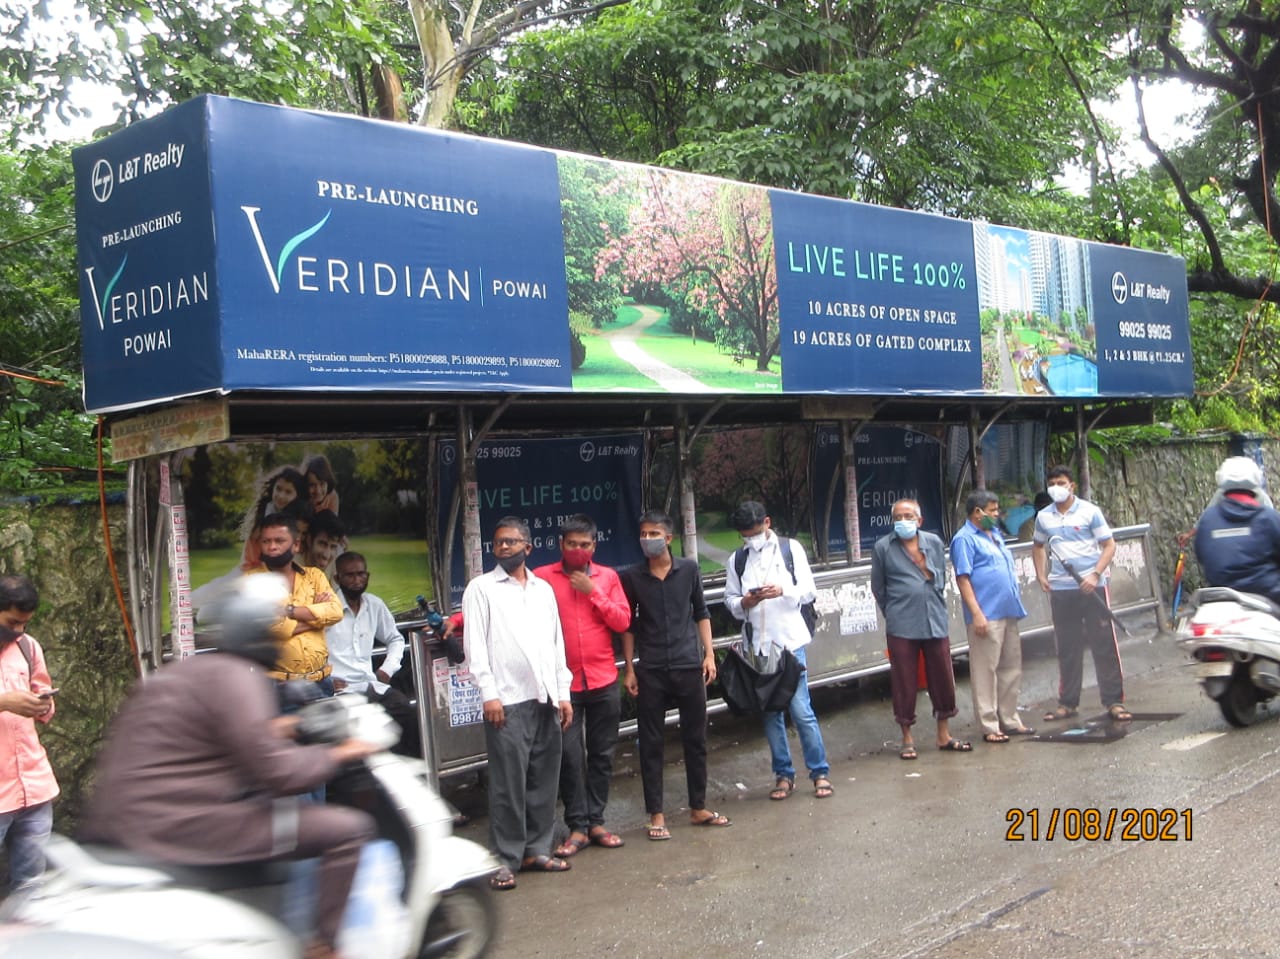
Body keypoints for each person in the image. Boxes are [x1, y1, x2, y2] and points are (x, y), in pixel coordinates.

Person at [80, 575, 379, 959]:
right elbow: (281, 773)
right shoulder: (239, 678)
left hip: (133, 818)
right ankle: (325, 947)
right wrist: (340, 753)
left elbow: (214, 737)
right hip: (185, 823)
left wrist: (291, 726)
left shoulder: (188, 672)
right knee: (347, 830)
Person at [462, 516, 573, 892]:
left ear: (528, 546)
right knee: (508, 785)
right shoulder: (481, 589)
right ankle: (504, 858)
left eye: (511, 541)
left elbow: (555, 644)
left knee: (543, 780)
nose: (504, 547)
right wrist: (488, 693)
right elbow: (476, 647)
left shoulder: (542, 590)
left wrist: (563, 693)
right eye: (498, 542)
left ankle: (536, 850)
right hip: (506, 701)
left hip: (544, 698)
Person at [621, 509, 731, 840]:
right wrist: (630, 668)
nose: (648, 539)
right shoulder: (633, 577)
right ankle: (656, 815)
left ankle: (698, 807)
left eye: (654, 534)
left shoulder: (689, 570)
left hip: (688, 664)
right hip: (651, 668)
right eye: (644, 534)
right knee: (650, 742)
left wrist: (709, 654)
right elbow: (628, 625)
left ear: (668, 538)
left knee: (695, 739)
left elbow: (701, 612)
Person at [531, 514, 631, 858]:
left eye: (584, 544)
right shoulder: (542, 578)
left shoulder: (608, 577)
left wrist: (594, 592)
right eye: (571, 543)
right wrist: (457, 621)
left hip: (603, 679)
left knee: (602, 754)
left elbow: (622, 621)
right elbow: (506, 606)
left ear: (594, 546)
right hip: (564, 686)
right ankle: (577, 826)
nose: (578, 549)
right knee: (569, 757)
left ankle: (597, 821)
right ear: (560, 544)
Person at [723, 501, 832, 800]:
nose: (751, 539)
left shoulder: (790, 549)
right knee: (770, 714)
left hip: (789, 644)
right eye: (745, 535)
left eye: (754, 532)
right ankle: (783, 775)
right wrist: (745, 602)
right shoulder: (737, 560)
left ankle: (819, 772)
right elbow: (730, 600)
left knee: (801, 711)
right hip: (758, 649)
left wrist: (783, 590)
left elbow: (809, 590)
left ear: (767, 523)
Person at [870, 499, 971, 759]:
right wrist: (894, 611)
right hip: (901, 623)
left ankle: (943, 734)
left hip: (934, 618)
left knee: (942, 675)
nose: (903, 521)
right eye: (898, 517)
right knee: (904, 680)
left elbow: (940, 579)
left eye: (908, 516)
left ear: (919, 520)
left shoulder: (933, 542)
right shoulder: (883, 547)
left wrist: (924, 571)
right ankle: (907, 738)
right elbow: (878, 587)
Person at [1032, 465, 1131, 722]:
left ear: (1072, 485)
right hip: (1061, 589)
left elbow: (1109, 545)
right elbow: (1038, 546)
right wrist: (1041, 575)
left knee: (1104, 644)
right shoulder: (1044, 517)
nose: (1056, 487)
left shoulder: (1090, 511)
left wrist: (1095, 574)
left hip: (1092, 586)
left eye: (1061, 483)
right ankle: (1067, 703)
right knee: (1067, 647)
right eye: (1052, 483)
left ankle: (1114, 701)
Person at [951, 491, 1033, 743]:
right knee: (985, 671)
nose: (997, 514)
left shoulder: (994, 534)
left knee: (1011, 667)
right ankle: (989, 725)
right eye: (993, 510)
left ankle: (1010, 719)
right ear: (977, 512)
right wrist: (977, 614)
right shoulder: (964, 539)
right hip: (986, 614)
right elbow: (963, 578)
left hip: (1008, 610)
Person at [327, 552, 420, 758]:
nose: (356, 580)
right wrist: (325, 681)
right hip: (340, 692)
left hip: (371, 685)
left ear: (367, 576)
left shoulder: (374, 604)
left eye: (361, 574)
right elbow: (311, 649)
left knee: (406, 713)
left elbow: (395, 639)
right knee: (361, 734)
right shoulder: (326, 609)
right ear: (337, 578)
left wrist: (387, 669)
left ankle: (409, 768)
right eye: (350, 575)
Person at [0, 574, 58, 892]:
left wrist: (42, 704)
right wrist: (4, 702)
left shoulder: (27, 646)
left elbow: (43, 692)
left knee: (31, 888)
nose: (19, 630)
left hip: (34, 788)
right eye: (12, 622)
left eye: (24, 623)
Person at [246, 513, 343, 700]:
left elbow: (335, 612)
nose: (272, 547)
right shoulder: (252, 581)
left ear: (296, 544)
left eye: (279, 541)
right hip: (278, 687)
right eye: (266, 541)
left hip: (322, 682)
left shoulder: (315, 576)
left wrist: (289, 611)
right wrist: (317, 618)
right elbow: (271, 627)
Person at [1194, 456, 1280, 606]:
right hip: (1268, 596)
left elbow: (1202, 555)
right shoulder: (1269, 517)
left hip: (1220, 599)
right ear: (1256, 479)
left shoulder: (1208, 518)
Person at [305, 510, 346, 581]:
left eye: (333, 546)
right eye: (322, 544)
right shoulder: (292, 563)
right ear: (309, 541)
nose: (326, 555)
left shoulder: (338, 557)